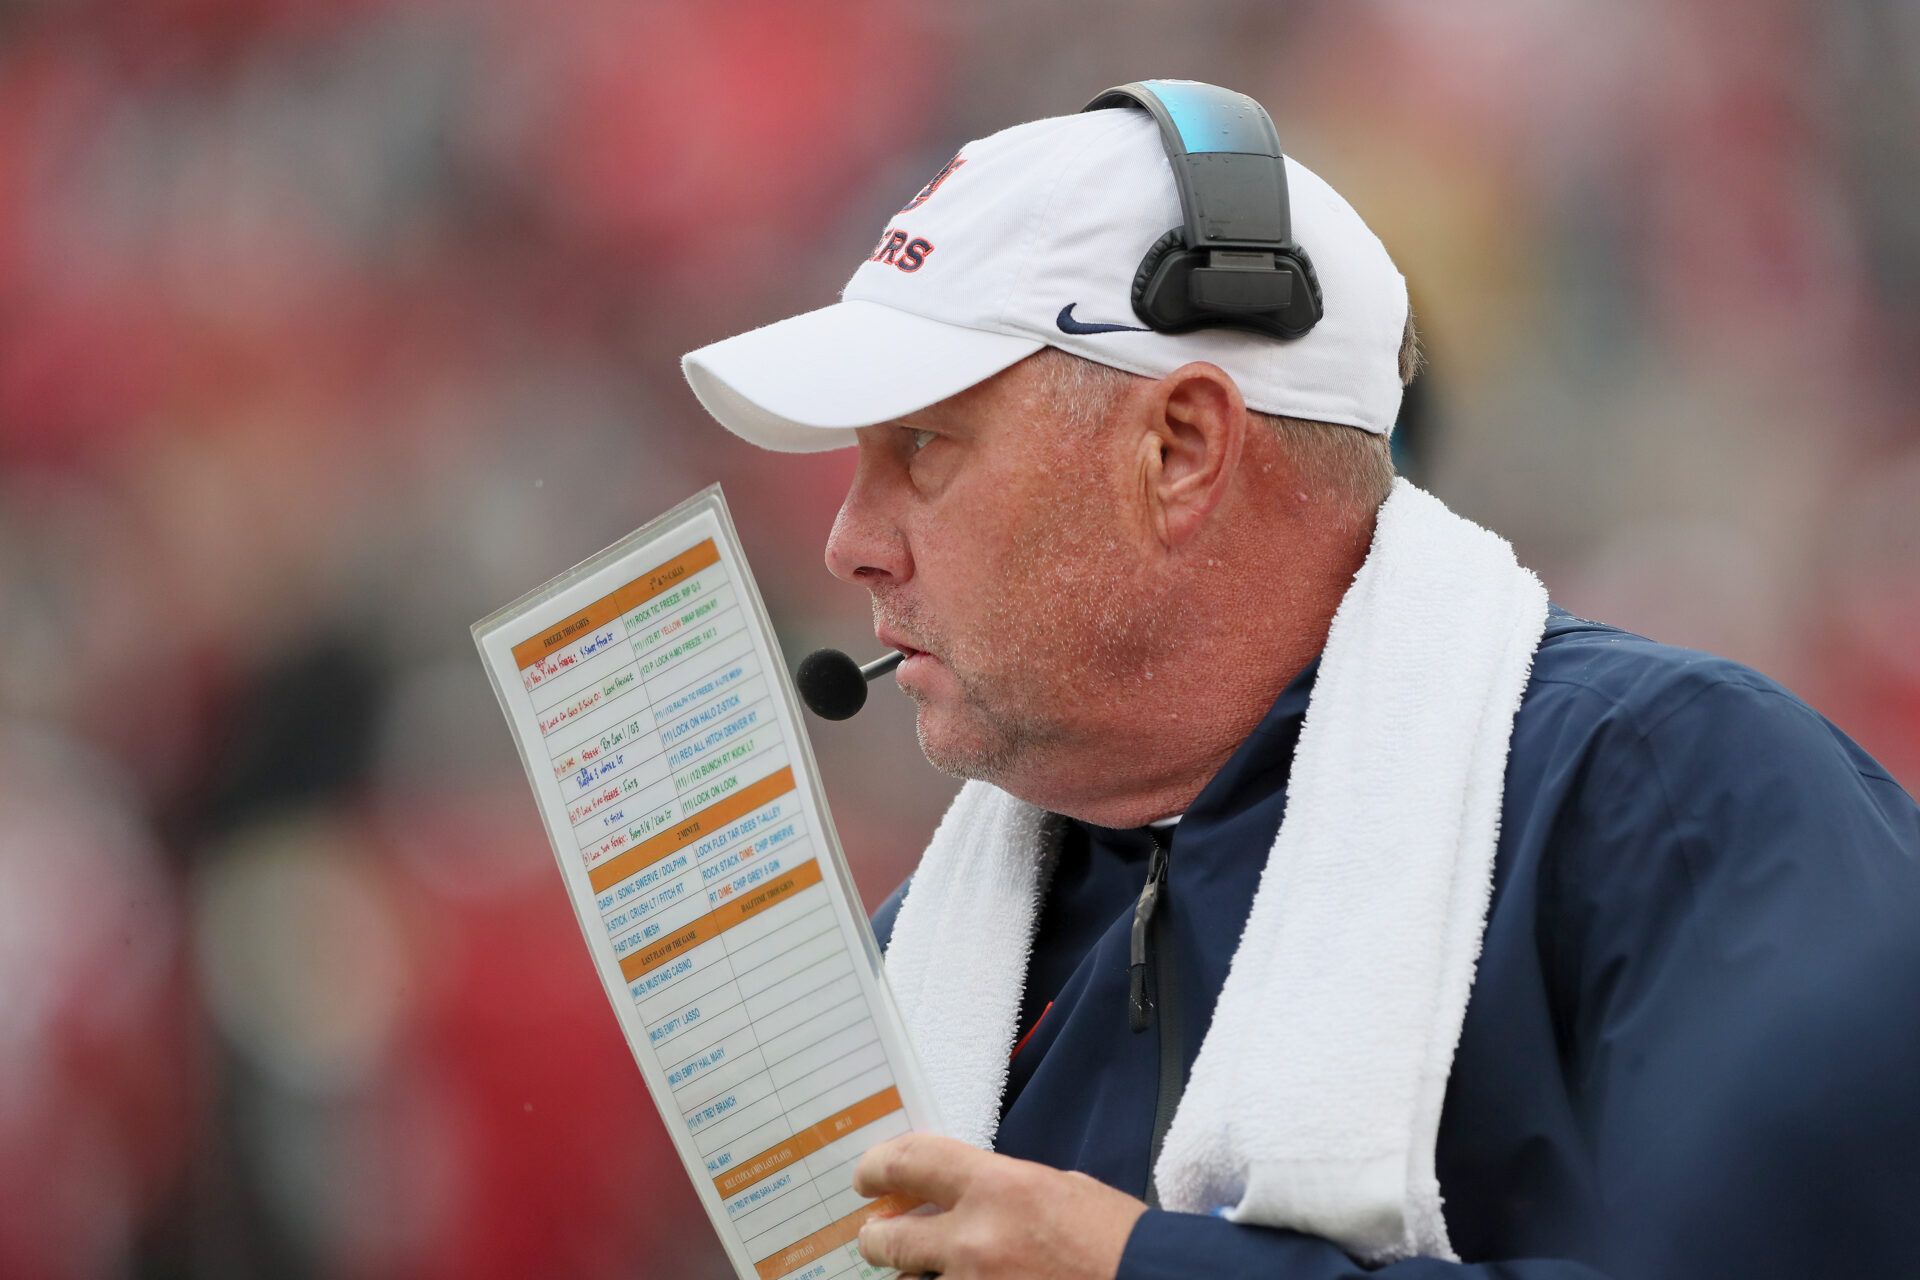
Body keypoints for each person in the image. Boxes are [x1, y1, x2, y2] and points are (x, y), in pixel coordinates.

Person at [680, 83, 1920, 1280]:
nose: (851, 541)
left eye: (921, 446)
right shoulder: (940, 953)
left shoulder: (1678, 794)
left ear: (1181, 449)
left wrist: (1133, 1266)